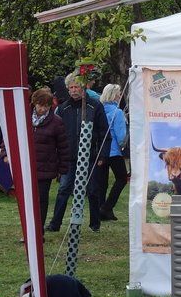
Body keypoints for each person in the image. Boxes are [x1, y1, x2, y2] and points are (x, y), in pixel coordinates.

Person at [47, 73, 111, 233]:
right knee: (63, 189)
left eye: (77, 87)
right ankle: (55, 223)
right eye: (71, 88)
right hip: (68, 156)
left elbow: (104, 132)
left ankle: (95, 223)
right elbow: (57, 134)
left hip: (90, 155)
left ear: (83, 88)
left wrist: (102, 155)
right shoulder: (63, 109)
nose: (74, 90)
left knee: (93, 190)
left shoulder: (95, 106)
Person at [28, 88, 69, 232]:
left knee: (41, 200)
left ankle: (38, 231)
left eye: (46, 106)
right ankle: (28, 230)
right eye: (40, 105)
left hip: (46, 168)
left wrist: (62, 169)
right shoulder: (24, 118)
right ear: (34, 103)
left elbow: (63, 147)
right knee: (28, 200)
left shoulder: (56, 122)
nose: (42, 108)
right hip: (28, 166)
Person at [98, 83, 129, 222]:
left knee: (102, 182)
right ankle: (107, 207)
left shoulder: (99, 110)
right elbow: (121, 135)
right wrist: (124, 145)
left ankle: (102, 210)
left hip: (100, 150)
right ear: (114, 95)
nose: (120, 95)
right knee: (122, 179)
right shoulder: (117, 112)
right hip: (114, 150)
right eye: (118, 93)